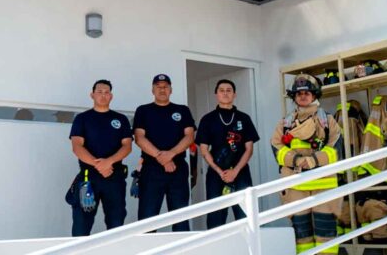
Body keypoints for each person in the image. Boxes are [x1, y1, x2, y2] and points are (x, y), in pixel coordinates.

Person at [271, 73, 342, 254]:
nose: (303, 96)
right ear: (294, 97)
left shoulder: (328, 120)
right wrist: (295, 160)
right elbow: (276, 146)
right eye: (299, 93)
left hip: (323, 186)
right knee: (301, 234)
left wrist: (313, 161)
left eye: (307, 93)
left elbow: (335, 149)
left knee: (325, 231)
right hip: (296, 186)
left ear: (315, 95)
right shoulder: (286, 123)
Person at [68, 79, 132, 236]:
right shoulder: (82, 119)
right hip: (88, 178)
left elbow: (127, 146)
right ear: (92, 95)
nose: (103, 95)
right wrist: (99, 165)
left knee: (116, 224)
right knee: (81, 226)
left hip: (114, 177)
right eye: (99, 92)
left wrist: (108, 162)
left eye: (107, 92)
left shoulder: (121, 119)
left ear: (111, 96)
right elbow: (77, 146)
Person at [133, 73, 195, 231]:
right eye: (158, 87)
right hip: (152, 169)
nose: (162, 90)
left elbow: (189, 136)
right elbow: (139, 138)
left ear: (171, 90)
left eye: (165, 87)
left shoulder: (182, 110)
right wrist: (163, 158)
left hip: (178, 168)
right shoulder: (143, 110)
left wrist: (171, 155)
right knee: (147, 218)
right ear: (152, 90)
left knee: (180, 216)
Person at [196, 79, 260, 229]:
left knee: (245, 215)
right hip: (216, 174)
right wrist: (220, 172)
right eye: (222, 90)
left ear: (234, 94)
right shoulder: (207, 119)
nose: (225, 93)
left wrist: (235, 171)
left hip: (240, 173)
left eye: (229, 90)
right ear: (216, 94)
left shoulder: (244, 118)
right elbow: (204, 150)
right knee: (215, 219)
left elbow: (249, 149)